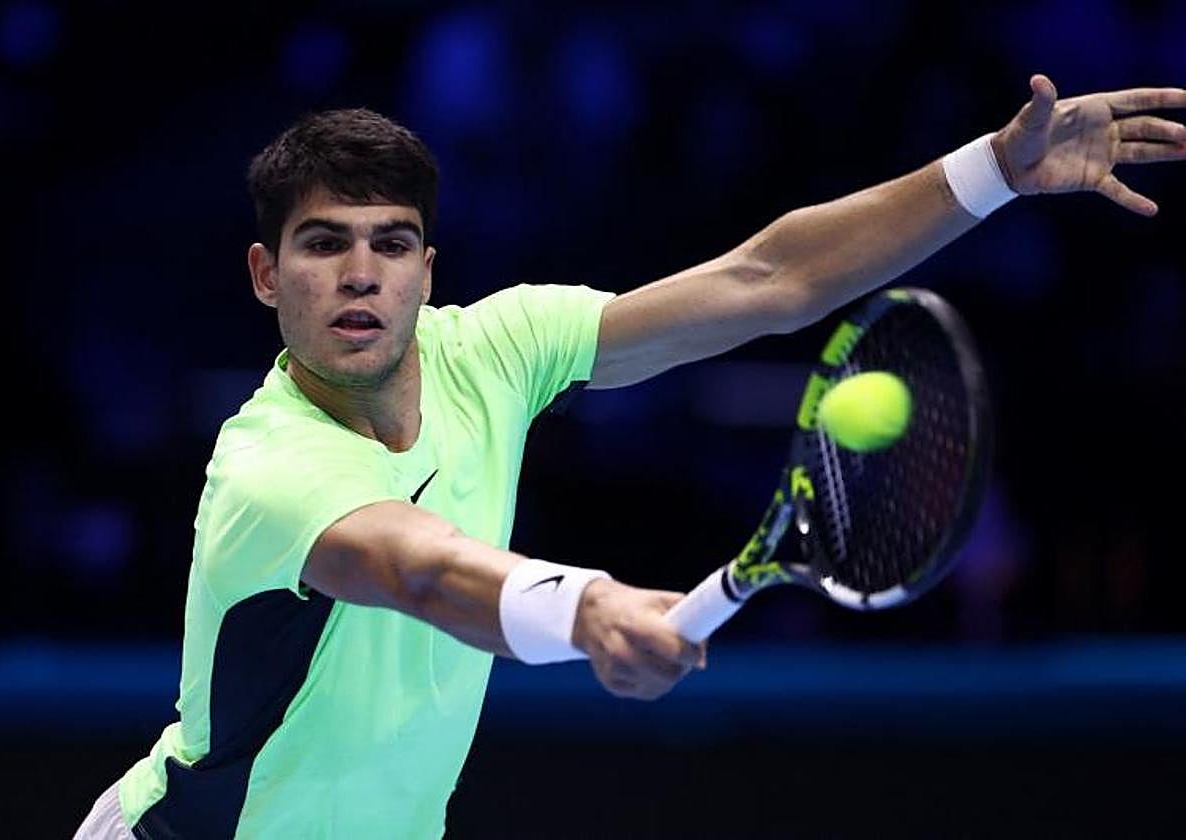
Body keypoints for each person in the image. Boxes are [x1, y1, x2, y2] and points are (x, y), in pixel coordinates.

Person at [75, 73, 1185, 839]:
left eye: (391, 244)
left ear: (427, 267)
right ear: (268, 275)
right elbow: (421, 568)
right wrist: (590, 607)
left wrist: (990, 170)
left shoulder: (496, 349)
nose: (360, 274)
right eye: (324, 245)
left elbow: (765, 280)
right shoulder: (266, 465)